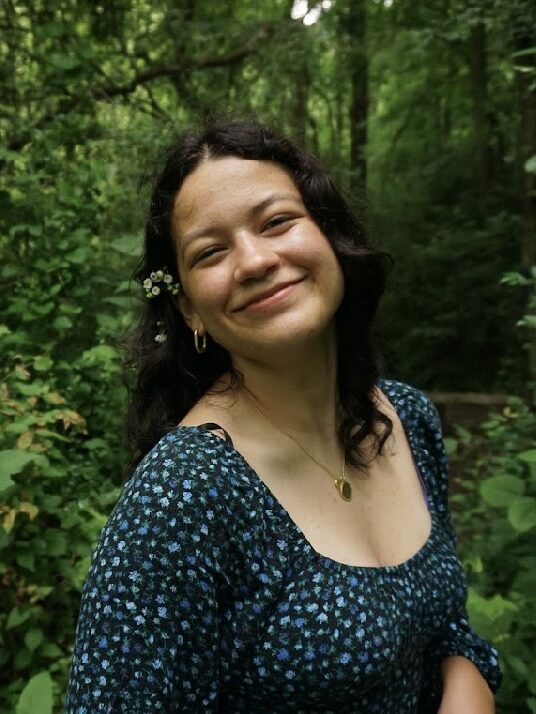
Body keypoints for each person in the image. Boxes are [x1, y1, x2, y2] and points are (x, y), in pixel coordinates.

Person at [65, 119, 502, 713]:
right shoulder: (183, 497)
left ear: (329, 236)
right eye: (210, 252)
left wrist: (467, 674)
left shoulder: (408, 419)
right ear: (189, 309)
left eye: (276, 222)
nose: (253, 261)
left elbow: (444, 626)